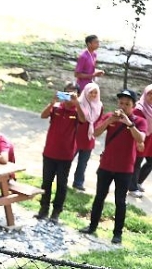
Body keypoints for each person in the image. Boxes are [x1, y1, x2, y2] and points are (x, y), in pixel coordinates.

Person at [81, 89, 147, 244]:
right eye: (121, 103)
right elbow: (95, 133)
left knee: (120, 201)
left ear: (134, 106)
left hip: (124, 168)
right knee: (99, 197)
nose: (123, 106)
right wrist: (108, 122)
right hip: (106, 165)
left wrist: (129, 124)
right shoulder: (109, 117)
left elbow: (140, 138)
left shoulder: (139, 121)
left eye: (127, 104)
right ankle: (92, 226)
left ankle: (117, 234)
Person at [36, 83, 80, 223]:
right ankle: (43, 209)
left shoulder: (77, 111)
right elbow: (42, 115)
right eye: (66, 93)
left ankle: (56, 212)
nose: (68, 97)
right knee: (46, 182)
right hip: (49, 152)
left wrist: (77, 103)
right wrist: (52, 102)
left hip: (66, 155)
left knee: (61, 184)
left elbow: (85, 120)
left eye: (72, 94)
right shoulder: (56, 108)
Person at [73, 82, 102, 191]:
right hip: (76, 136)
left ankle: (78, 182)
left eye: (95, 93)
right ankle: (60, 178)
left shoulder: (99, 106)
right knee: (68, 159)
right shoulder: (79, 103)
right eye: (91, 92)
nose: (93, 95)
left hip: (89, 138)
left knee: (83, 162)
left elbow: (98, 121)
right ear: (85, 92)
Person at [128, 83, 152, 198]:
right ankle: (132, 188)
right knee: (137, 162)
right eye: (150, 94)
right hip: (139, 139)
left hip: (149, 139)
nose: (151, 96)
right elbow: (135, 125)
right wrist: (139, 141)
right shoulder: (139, 108)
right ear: (145, 94)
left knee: (150, 161)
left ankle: (137, 182)